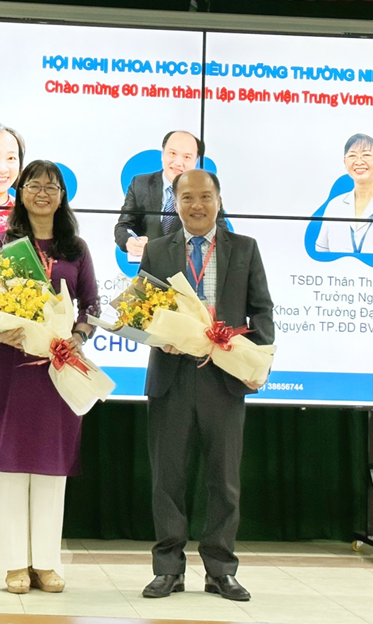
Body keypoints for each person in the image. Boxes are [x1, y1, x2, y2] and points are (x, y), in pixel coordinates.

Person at [138, 169, 273, 603]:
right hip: (171, 378)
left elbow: (262, 311)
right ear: (175, 203)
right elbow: (141, 313)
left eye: (205, 197)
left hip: (225, 378)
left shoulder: (244, 248)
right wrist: (160, 338)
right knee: (167, 480)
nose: (196, 206)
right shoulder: (157, 250)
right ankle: (168, 570)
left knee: (224, 480)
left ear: (218, 199)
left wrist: (256, 361)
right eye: (187, 198)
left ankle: (220, 571)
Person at [0, 160, 99, 595]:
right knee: (11, 460)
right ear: (21, 192)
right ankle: (14, 563)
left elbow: (91, 304)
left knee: (52, 461)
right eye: (34, 184)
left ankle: (46, 563)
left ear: (62, 196)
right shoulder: (3, 243)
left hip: (59, 364)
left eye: (52, 186)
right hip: (11, 363)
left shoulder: (76, 248)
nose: (43, 193)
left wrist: (78, 336)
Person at [115, 130, 225, 257]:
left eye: (187, 157)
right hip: (149, 265)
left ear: (196, 161)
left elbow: (223, 236)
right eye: (172, 153)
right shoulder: (140, 184)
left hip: (189, 265)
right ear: (162, 154)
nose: (178, 163)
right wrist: (129, 241)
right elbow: (123, 226)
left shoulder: (206, 191)